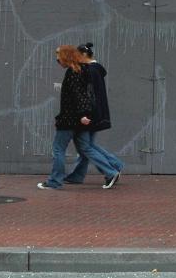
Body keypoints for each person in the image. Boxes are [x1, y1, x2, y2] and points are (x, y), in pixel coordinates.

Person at [38, 45, 121, 190]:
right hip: (81, 119)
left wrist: (83, 114)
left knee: (59, 149)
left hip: (70, 119)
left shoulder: (74, 72)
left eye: (59, 58)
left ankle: (55, 181)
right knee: (86, 147)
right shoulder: (83, 70)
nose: (57, 61)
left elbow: (79, 95)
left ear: (67, 57)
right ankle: (110, 170)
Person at [64, 42, 125, 186]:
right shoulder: (97, 70)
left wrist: (84, 114)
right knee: (88, 145)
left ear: (84, 55)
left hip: (88, 115)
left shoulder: (88, 71)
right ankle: (112, 166)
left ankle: (111, 171)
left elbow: (88, 95)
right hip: (96, 113)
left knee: (84, 146)